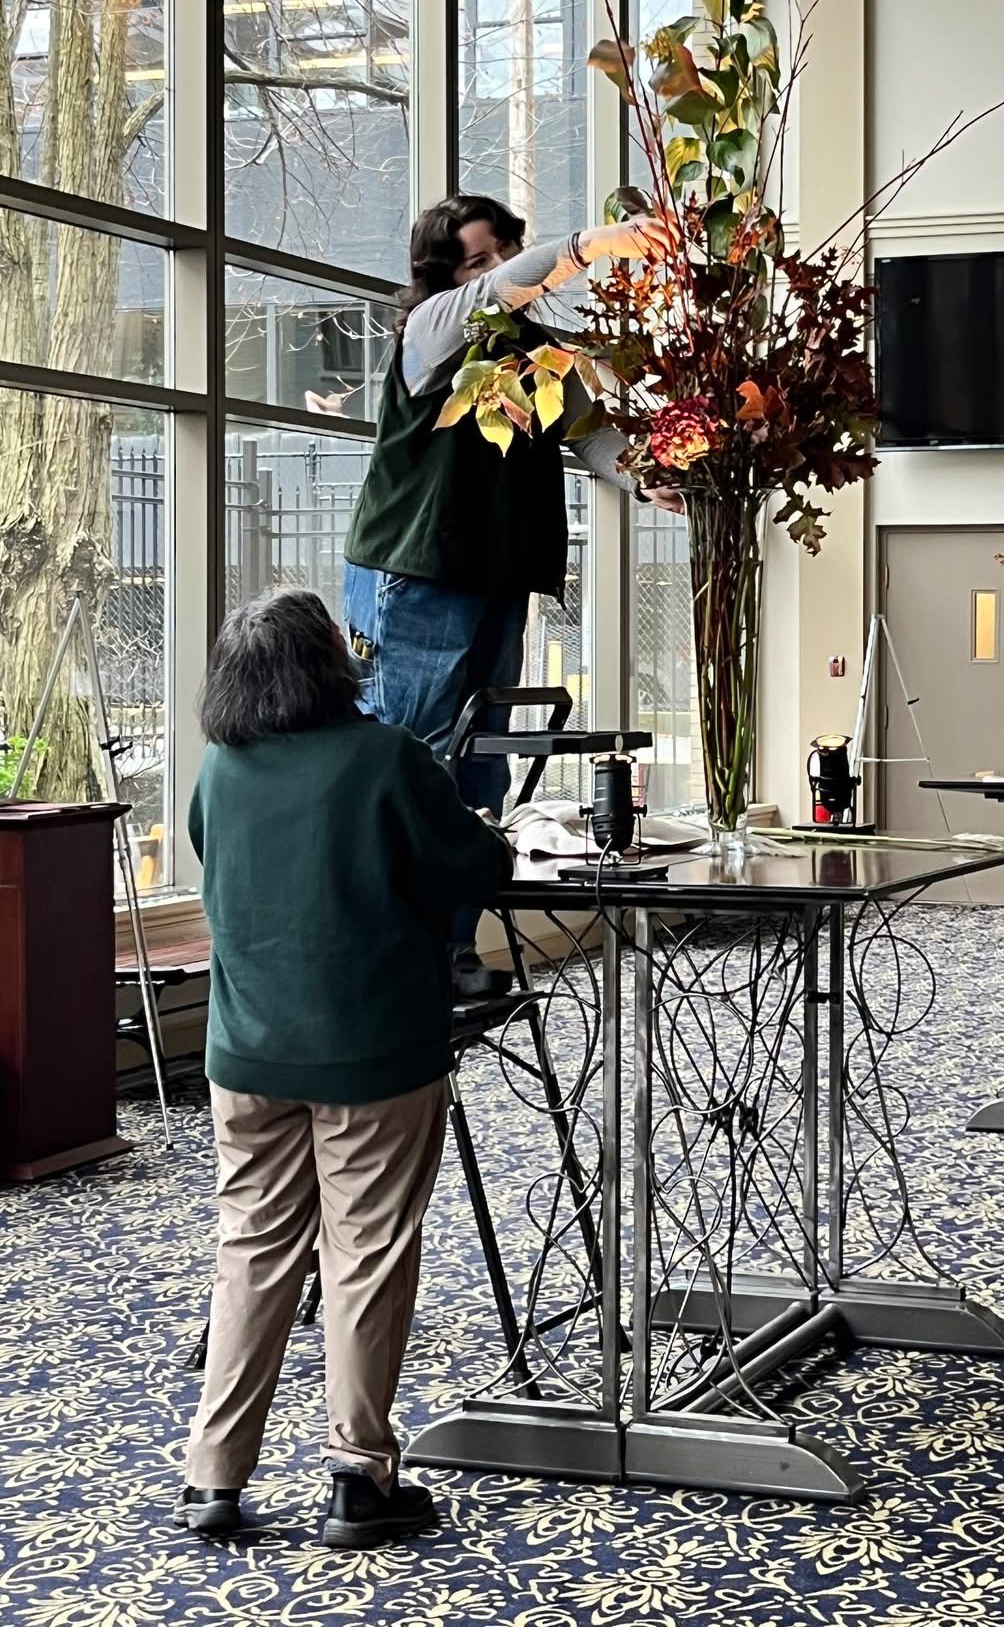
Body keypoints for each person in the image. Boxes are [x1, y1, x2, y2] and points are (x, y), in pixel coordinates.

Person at [178, 589, 512, 1547]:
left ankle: (213, 1478)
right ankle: (358, 1478)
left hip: (247, 1054)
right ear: (330, 662)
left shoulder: (220, 769)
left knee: (250, 1248)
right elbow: (473, 870)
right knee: (365, 1253)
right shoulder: (386, 759)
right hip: (371, 1052)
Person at [341, 194, 682, 997]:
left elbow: (590, 434)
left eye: (503, 251)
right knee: (415, 757)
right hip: (419, 570)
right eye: (477, 259)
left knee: (482, 765)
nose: (496, 269)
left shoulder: (538, 355)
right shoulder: (431, 328)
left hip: (494, 576)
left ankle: (454, 951)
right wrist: (596, 244)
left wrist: (649, 478)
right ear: (444, 274)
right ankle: (393, 956)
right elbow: (504, 289)